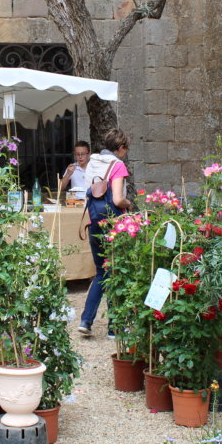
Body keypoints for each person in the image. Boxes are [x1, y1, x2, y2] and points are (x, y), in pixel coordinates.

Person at [78, 129, 132, 337]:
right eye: (124, 149)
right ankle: (114, 328)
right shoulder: (117, 165)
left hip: (94, 222)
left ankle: (86, 320)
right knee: (116, 272)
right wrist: (128, 203)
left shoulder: (92, 162)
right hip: (113, 224)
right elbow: (118, 199)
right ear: (120, 148)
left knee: (101, 272)